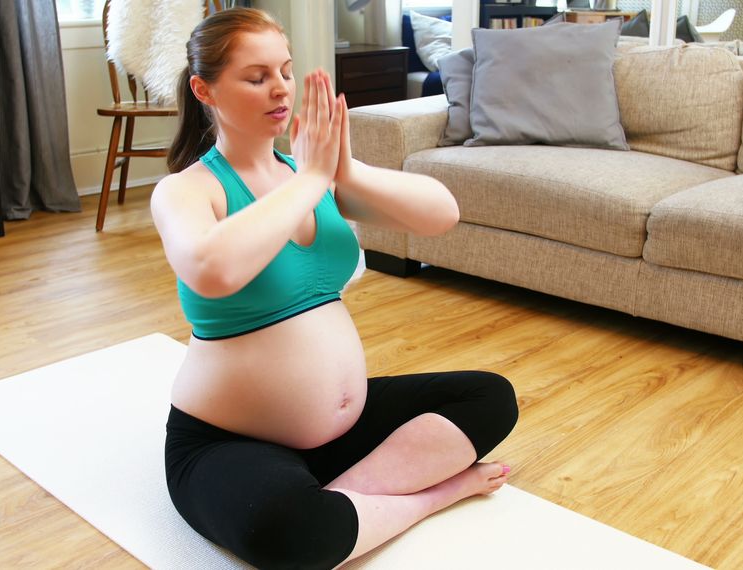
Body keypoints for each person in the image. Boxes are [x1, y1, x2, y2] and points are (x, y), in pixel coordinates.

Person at [149, 7, 519, 570]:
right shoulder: (185, 190)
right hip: (226, 441)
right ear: (205, 89)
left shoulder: (312, 175)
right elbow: (211, 269)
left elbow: (441, 215)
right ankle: (428, 497)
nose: (281, 90)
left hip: (344, 431)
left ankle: (345, 503)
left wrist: (342, 170)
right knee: (286, 532)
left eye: (287, 71)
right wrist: (314, 178)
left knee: (490, 396)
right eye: (256, 77)